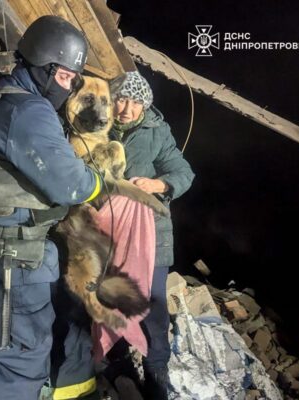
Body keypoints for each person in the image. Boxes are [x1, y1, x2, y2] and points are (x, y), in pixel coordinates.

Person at [0, 15, 113, 400]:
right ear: (44, 66)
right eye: (65, 77)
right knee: (22, 359)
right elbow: (70, 183)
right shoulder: (27, 111)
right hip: (13, 255)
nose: (68, 87)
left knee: (24, 347)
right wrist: (100, 183)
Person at [107, 71, 195, 398]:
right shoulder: (97, 129)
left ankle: (156, 371)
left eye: (135, 103)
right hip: (110, 235)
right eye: (121, 100)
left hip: (151, 236)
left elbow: (183, 172)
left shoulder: (157, 131)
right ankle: (118, 362)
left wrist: (158, 184)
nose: (126, 110)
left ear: (145, 105)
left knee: (153, 305)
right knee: (111, 299)